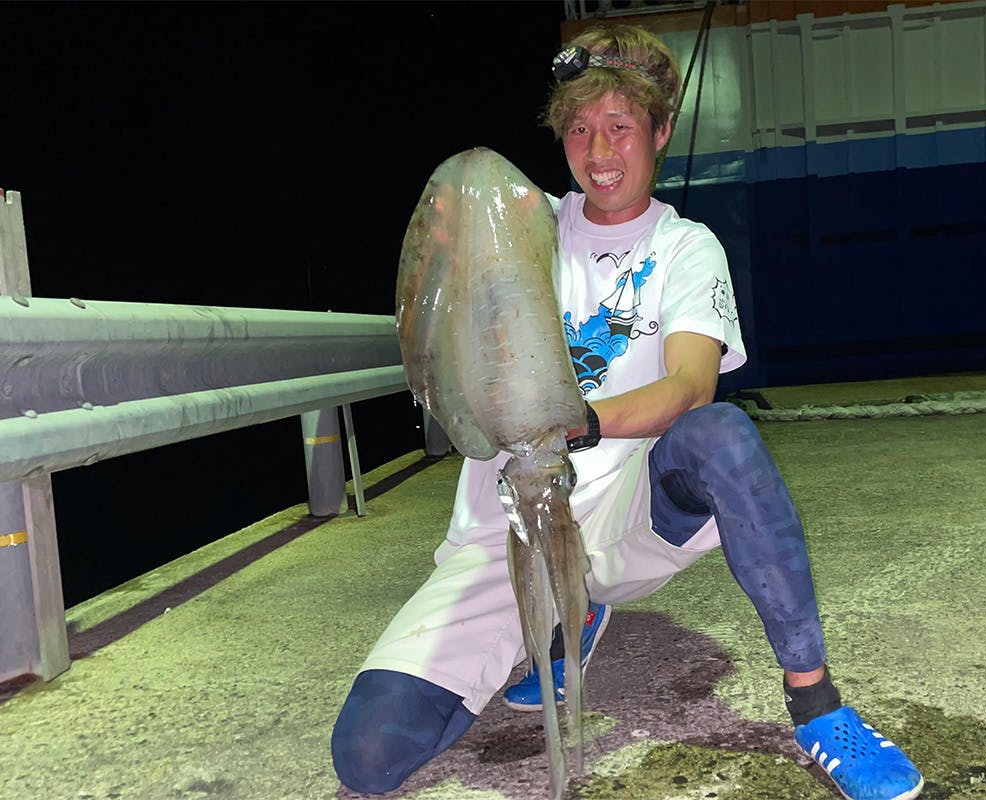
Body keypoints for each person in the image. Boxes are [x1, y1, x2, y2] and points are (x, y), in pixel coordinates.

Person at [332, 22, 924, 800]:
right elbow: (449, 294)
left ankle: (817, 706)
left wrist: (581, 421)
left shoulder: (686, 250)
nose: (599, 149)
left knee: (721, 435)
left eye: (620, 126)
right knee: (367, 757)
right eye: (579, 129)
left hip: (625, 516)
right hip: (504, 531)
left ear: (660, 131)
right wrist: (448, 231)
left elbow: (689, 387)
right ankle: (562, 617)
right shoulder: (524, 229)